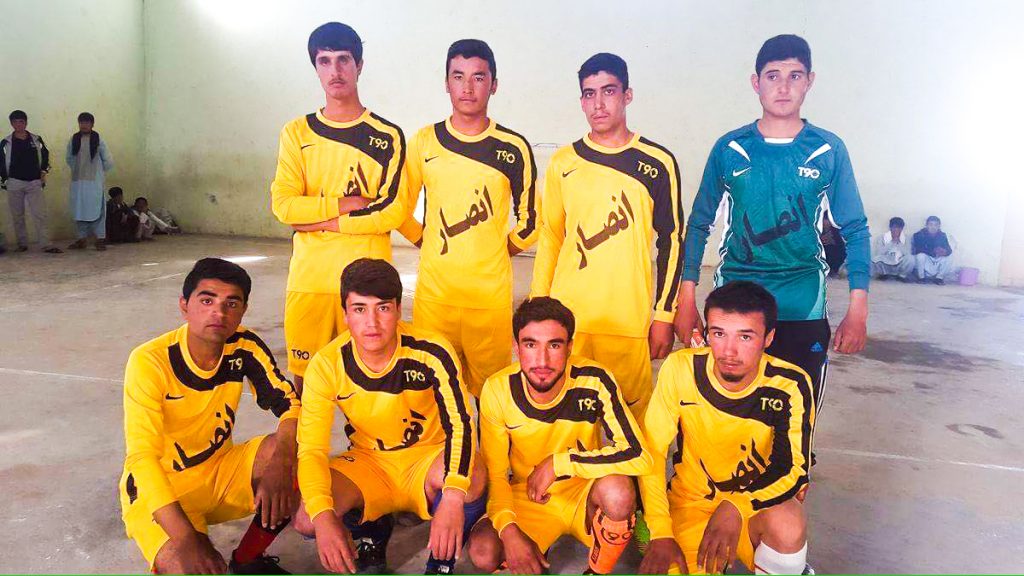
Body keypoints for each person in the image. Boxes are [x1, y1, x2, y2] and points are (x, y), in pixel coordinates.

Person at [676, 34, 870, 410]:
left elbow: (856, 230)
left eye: (794, 76)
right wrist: (686, 299)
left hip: (802, 304)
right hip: (735, 304)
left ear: (809, 81)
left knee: (796, 418)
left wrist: (858, 309)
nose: (783, 87)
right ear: (756, 82)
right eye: (772, 76)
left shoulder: (828, 149)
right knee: (727, 417)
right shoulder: (731, 148)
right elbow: (698, 225)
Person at [293, 258, 484, 575]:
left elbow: (461, 425)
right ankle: (373, 530)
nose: (372, 323)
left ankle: (441, 562)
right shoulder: (326, 365)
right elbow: (311, 449)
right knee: (307, 518)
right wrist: (324, 517)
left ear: (398, 309)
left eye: (382, 308)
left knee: (472, 476)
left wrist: (452, 496)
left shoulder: (431, 351)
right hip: (370, 461)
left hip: (428, 458)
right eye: (359, 309)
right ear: (345, 314)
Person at [119, 258, 301, 574]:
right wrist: (186, 538)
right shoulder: (150, 361)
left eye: (232, 303)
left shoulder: (244, 346)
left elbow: (291, 405)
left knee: (299, 459)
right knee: (188, 566)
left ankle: (247, 560)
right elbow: (142, 458)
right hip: (161, 488)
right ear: (184, 305)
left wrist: (283, 462)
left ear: (243, 310)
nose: (219, 313)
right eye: (207, 301)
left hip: (219, 470)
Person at [531, 52, 684, 418]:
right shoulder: (563, 162)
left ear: (627, 95)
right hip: (569, 320)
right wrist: (537, 308)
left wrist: (664, 314)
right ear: (582, 100)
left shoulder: (657, 163)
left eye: (608, 91)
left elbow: (673, 240)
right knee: (568, 421)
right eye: (589, 94)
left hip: (626, 322)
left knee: (629, 423)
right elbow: (551, 237)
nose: (598, 104)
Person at [639, 281, 815, 575]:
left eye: (745, 336)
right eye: (719, 334)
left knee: (788, 521)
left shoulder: (789, 384)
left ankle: (784, 565)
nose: (729, 351)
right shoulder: (681, 369)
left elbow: (794, 468)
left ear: (768, 338)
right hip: (690, 505)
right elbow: (652, 452)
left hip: (753, 509)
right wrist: (660, 530)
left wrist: (735, 506)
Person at [271, 22, 408, 395]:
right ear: (315, 67)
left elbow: (391, 212)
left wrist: (319, 222)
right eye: (325, 61)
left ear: (359, 65)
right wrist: (347, 205)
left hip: (368, 284)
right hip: (310, 281)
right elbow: (284, 206)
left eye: (344, 59)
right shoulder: (296, 133)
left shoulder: (388, 136)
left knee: (371, 387)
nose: (335, 71)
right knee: (305, 388)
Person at [468, 297, 651, 575]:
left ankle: (597, 570)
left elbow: (639, 455)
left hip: (585, 491)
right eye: (531, 345)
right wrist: (509, 530)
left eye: (554, 345)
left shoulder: (594, 380)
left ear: (570, 347)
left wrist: (559, 463)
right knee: (483, 551)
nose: (542, 360)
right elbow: (496, 475)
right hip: (529, 494)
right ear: (516, 347)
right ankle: (535, 546)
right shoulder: (497, 390)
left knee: (619, 492)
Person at [397, 39, 539, 397]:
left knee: (490, 398)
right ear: (446, 83)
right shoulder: (424, 141)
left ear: (494, 84)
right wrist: (426, 241)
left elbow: (532, 220)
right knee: (432, 394)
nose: (468, 87)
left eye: (478, 77)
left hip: (488, 302)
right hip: (435, 298)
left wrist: (499, 251)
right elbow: (399, 208)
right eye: (458, 76)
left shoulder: (512, 147)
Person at [0, 110, 61, 253]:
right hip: (14, 182)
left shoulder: (36, 140)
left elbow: (45, 156)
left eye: (21, 121)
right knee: (17, 215)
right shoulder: (5, 143)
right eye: (15, 122)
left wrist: (43, 172)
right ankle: (22, 244)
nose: (18, 125)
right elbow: (1, 162)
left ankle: (46, 244)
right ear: (11, 124)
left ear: (26, 123)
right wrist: (5, 180)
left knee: (40, 214)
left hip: (34, 182)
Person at [66, 112, 114, 251]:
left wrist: (98, 172)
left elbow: (108, 161)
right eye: (81, 122)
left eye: (87, 122)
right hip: (78, 183)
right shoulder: (74, 139)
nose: (84, 125)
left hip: (94, 183)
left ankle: (100, 239)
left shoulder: (99, 140)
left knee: (98, 211)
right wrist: (78, 170)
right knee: (79, 210)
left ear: (92, 124)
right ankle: (81, 239)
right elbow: (69, 158)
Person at [911, 216, 954, 284]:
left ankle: (939, 278)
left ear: (939, 226)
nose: (933, 227)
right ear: (926, 225)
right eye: (930, 224)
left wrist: (944, 252)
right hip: (926, 261)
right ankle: (921, 278)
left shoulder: (942, 235)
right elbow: (918, 249)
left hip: (936, 260)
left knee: (950, 257)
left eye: (936, 225)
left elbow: (949, 249)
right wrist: (934, 251)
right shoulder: (919, 234)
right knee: (920, 256)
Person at [872, 216, 914, 281]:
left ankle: (902, 276)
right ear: (890, 227)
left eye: (899, 228)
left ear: (902, 229)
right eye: (894, 227)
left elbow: (908, 253)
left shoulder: (906, 238)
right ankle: (883, 274)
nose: (896, 230)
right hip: (886, 261)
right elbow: (879, 253)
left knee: (911, 259)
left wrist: (899, 242)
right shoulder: (882, 238)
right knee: (876, 259)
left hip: (900, 262)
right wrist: (891, 242)